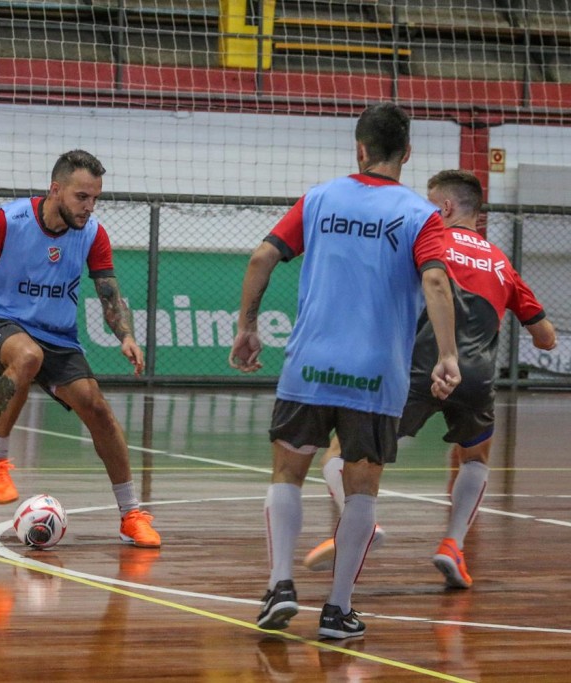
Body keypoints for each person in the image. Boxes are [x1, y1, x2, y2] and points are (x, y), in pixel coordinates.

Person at [229, 103, 461, 640]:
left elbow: (262, 257)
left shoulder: (319, 199)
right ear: (407, 153)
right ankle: (337, 611)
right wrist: (447, 355)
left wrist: (247, 327)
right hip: (376, 375)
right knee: (361, 490)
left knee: (287, 474)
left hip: (309, 365)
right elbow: (435, 282)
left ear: (359, 149)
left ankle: (280, 586)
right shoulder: (420, 214)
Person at [303, 169, 557, 587]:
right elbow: (546, 337)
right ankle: (453, 546)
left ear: (446, 207)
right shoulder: (500, 262)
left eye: (429, 201)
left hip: (420, 370)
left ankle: (362, 522)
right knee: (474, 457)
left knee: (339, 452)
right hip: (476, 379)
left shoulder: (426, 244)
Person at [0, 149, 159, 548]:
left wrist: (125, 335)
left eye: (95, 198)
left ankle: (131, 515)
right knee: (27, 356)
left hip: (57, 335)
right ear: (55, 189)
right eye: (81, 197)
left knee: (97, 409)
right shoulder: (7, 221)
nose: (89, 207)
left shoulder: (92, 233)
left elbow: (109, 292)